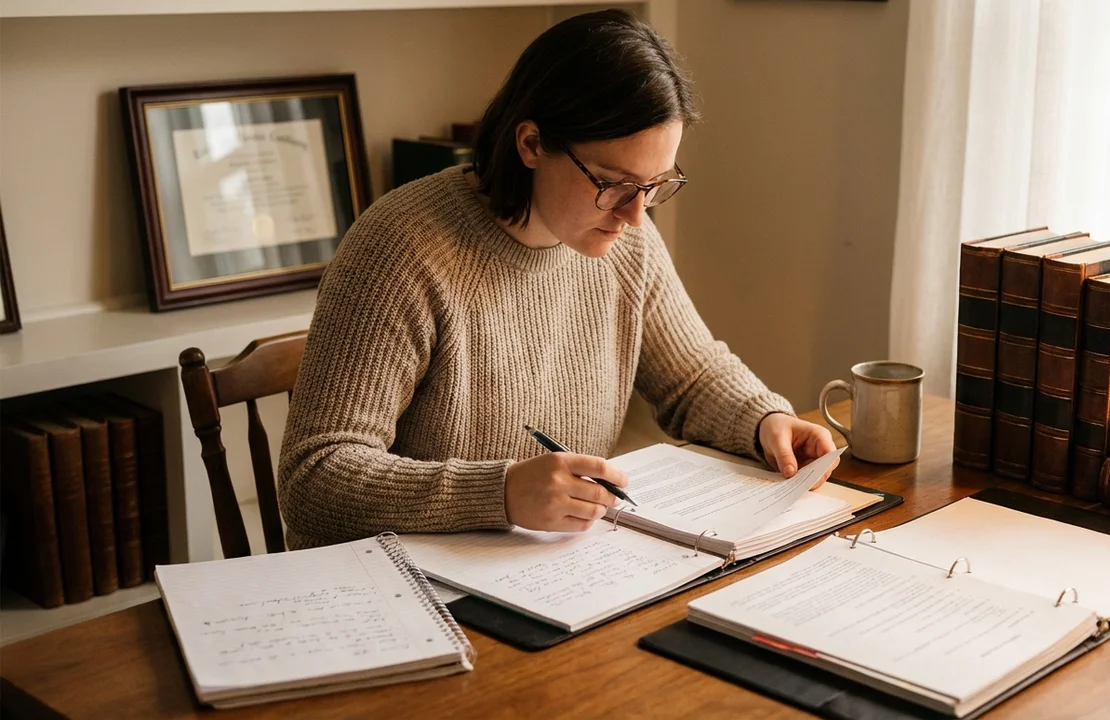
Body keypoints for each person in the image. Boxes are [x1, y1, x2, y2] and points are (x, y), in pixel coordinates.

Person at [277, 9, 837, 550]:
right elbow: (315, 475)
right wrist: (497, 493)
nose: (636, 215)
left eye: (655, 184)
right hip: (400, 589)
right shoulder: (400, 250)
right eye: (614, 182)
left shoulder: (627, 240)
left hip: (545, 571)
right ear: (531, 144)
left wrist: (765, 419)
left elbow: (691, 376)